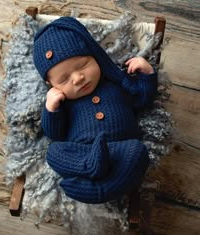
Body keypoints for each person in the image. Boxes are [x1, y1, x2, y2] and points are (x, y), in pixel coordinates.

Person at [33, 16, 158, 203]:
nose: (77, 78)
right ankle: (88, 166)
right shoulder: (64, 102)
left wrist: (147, 74)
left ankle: (100, 190)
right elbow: (56, 134)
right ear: (50, 84)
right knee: (54, 152)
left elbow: (142, 99)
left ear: (95, 56)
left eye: (83, 65)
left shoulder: (115, 83)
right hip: (82, 150)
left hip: (121, 150)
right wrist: (51, 109)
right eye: (64, 80)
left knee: (138, 152)